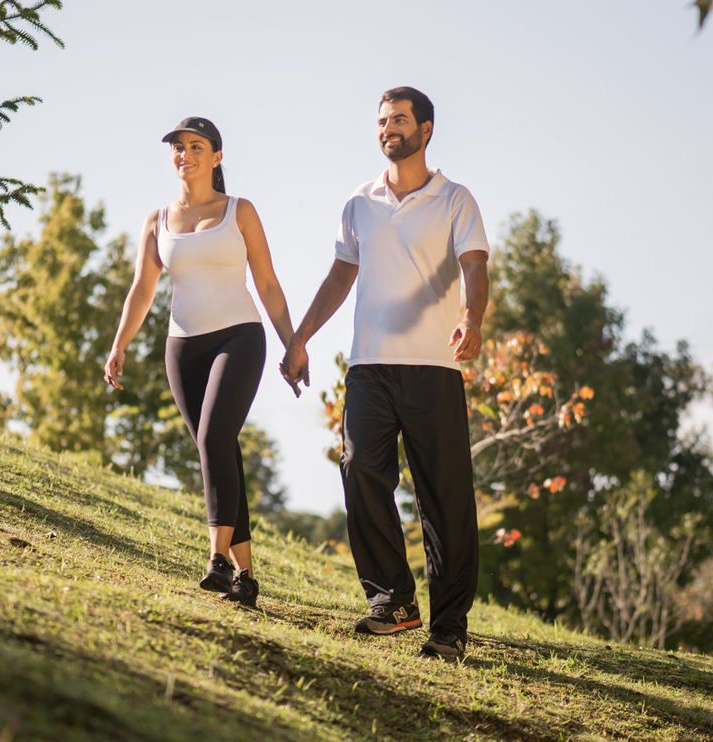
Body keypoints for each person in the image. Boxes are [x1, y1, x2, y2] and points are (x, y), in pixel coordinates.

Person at [282, 87, 489, 660]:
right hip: (369, 365)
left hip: (433, 367)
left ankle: (449, 627)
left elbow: (475, 266)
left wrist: (472, 318)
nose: (388, 128)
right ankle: (394, 599)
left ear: (426, 129)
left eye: (399, 119)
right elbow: (339, 277)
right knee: (361, 469)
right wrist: (300, 337)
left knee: (443, 498)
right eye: (381, 121)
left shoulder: (455, 199)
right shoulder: (360, 202)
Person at [105, 116, 297, 608]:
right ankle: (246, 577)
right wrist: (120, 343)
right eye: (177, 147)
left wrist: (292, 343)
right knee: (220, 450)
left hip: (240, 337)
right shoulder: (157, 220)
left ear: (217, 156)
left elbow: (269, 284)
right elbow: (142, 290)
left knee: (214, 437)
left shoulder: (240, 211)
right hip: (182, 347)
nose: (184, 154)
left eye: (195, 146)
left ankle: (215, 559)